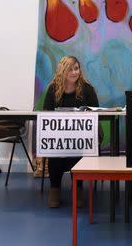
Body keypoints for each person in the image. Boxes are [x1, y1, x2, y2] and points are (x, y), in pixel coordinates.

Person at [43, 55, 99, 208]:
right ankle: (55, 190)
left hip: (83, 135)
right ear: (63, 71)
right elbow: (46, 113)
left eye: (76, 68)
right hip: (59, 135)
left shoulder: (87, 89)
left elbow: (97, 112)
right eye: (70, 69)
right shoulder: (53, 89)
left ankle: (78, 189)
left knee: (76, 149)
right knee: (55, 151)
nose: (74, 72)